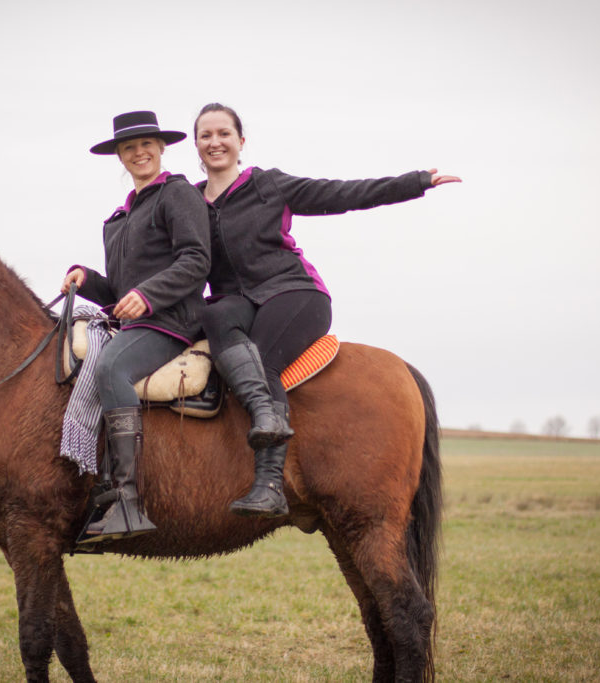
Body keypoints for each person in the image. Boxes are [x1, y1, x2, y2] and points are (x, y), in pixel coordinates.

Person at [193, 102, 461, 518]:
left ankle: (268, 484)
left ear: (241, 142)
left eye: (223, 134)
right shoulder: (191, 203)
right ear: (196, 145)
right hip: (235, 302)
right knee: (212, 320)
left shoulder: (269, 185)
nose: (215, 142)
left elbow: (343, 194)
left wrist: (416, 181)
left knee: (258, 362)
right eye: (206, 135)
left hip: (293, 293)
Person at [63, 111, 210, 543]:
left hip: (171, 321)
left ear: (161, 148)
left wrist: (148, 296)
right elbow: (120, 291)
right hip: (137, 323)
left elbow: (196, 261)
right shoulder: (117, 219)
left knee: (110, 367)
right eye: (129, 147)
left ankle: (127, 497)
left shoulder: (178, 195)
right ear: (120, 157)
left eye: (146, 143)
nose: (139, 152)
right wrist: (87, 279)